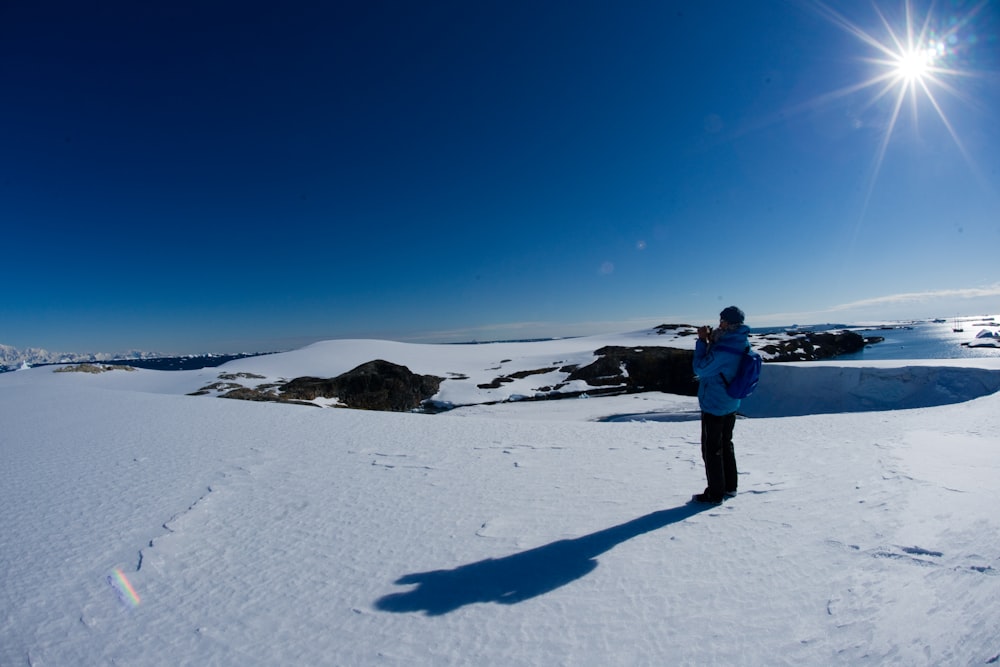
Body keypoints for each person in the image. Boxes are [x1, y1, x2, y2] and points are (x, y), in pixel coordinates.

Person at [691, 306, 750, 504]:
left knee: (711, 449)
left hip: (715, 403)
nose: (719, 323)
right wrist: (711, 340)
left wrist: (701, 342)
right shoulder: (739, 341)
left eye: (722, 320)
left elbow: (701, 368)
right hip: (730, 401)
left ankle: (715, 493)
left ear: (729, 323)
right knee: (726, 444)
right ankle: (730, 487)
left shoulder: (726, 348)